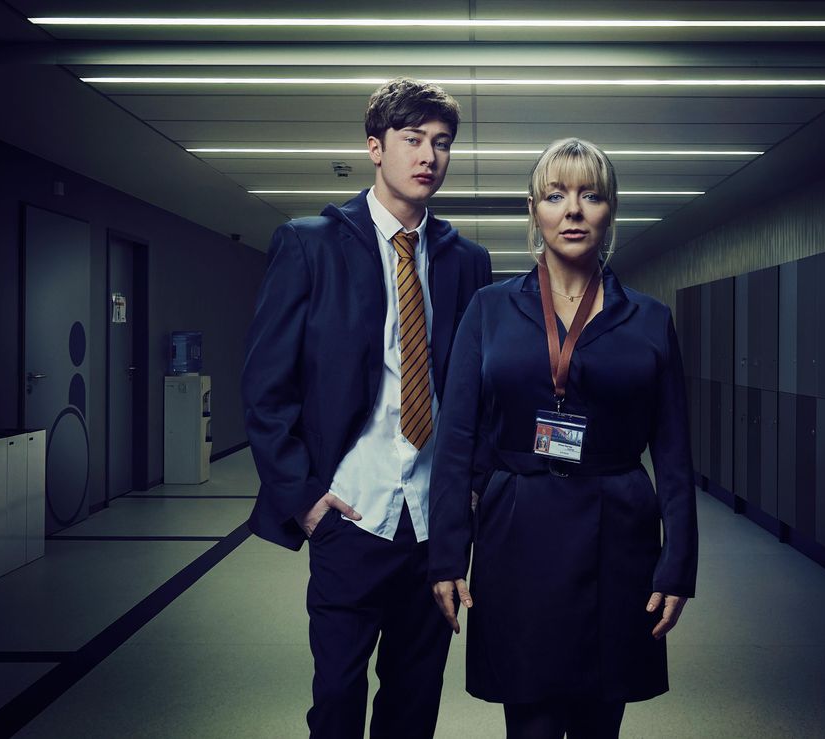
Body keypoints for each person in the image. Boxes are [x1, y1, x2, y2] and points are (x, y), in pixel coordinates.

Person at [242, 77, 492, 739]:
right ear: (375, 146)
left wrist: (468, 493)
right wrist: (305, 498)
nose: (429, 156)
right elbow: (266, 389)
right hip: (349, 516)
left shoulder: (467, 261)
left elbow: (477, 394)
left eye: (441, 143)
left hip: (434, 526)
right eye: (413, 139)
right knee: (338, 701)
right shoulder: (311, 244)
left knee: (413, 706)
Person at [428, 138, 698, 738]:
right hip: (518, 526)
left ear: (611, 210)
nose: (572, 210)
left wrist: (678, 563)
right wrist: (447, 553)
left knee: (602, 720)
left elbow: (675, 454)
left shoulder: (649, 318)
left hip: (619, 531)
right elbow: (455, 440)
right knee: (531, 722)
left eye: (589, 195)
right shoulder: (489, 309)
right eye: (556, 195)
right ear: (534, 210)